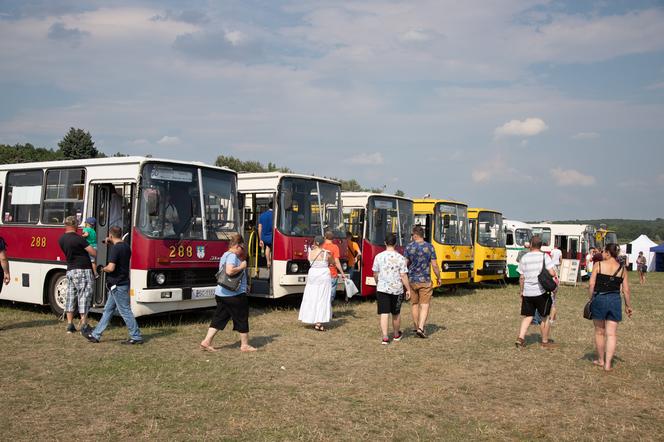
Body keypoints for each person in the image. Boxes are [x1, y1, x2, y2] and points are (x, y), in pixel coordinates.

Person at [84, 226, 143, 344]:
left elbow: (111, 268)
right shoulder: (126, 247)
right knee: (108, 310)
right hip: (122, 282)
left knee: (125, 311)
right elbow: (120, 258)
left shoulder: (115, 249)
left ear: (110, 236)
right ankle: (96, 335)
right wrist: (111, 242)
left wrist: (102, 269)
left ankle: (136, 336)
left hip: (117, 284)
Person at [200, 234, 256, 352]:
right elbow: (230, 271)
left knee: (219, 317)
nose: (242, 250)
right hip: (233, 295)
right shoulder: (232, 256)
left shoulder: (225, 255)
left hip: (222, 293)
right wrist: (242, 266)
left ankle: (206, 341)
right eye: (242, 247)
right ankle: (244, 345)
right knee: (242, 317)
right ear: (237, 246)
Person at [588, 244, 633, 371]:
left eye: (603, 252)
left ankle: (601, 360)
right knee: (612, 334)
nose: (602, 254)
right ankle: (608, 364)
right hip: (615, 300)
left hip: (599, 299)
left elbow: (591, 284)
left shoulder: (599, 265)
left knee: (599, 332)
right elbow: (626, 290)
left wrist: (590, 298)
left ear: (608, 253)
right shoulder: (622, 269)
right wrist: (628, 306)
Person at [515, 235, 557, 349]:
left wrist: (521, 291)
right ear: (541, 245)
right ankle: (544, 341)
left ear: (531, 245)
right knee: (544, 317)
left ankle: (521, 338)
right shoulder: (545, 257)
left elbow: (522, 277)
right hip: (541, 292)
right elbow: (552, 273)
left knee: (528, 316)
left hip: (528, 292)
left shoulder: (524, 257)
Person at [58, 215, 96, 335]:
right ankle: (84, 324)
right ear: (75, 225)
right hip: (83, 269)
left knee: (70, 296)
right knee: (84, 296)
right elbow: (93, 252)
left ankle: (70, 324)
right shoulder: (79, 239)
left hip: (70, 270)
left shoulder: (62, 239)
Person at [372, 233, 411, 344]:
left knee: (384, 313)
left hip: (382, 288)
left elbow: (375, 273)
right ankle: (396, 334)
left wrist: (377, 282)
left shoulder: (378, 256)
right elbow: (403, 275)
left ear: (385, 242)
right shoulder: (401, 258)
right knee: (396, 313)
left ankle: (385, 336)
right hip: (397, 289)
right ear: (396, 243)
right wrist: (408, 289)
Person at [404, 225, 441, 338]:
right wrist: (438, 277)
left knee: (414, 304)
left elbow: (404, 264)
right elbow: (434, 265)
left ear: (415, 235)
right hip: (425, 280)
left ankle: (416, 327)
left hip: (412, 280)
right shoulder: (430, 247)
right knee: (424, 305)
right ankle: (421, 327)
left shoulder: (409, 247)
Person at [298, 236, 334, 331]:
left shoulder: (310, 253)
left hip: (312, 274)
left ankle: (310, 317)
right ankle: (319, 322)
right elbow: (332, 262)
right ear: (323, 243)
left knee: (311, 296)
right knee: (322, 297)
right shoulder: (325, 253)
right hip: (323, 275)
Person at [321, 230, 346, 303]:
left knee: (322, 294)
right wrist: (342, 273)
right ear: (333, 238)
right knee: (331, 295)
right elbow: (337, 262)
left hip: (322, 273)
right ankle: (328, 311)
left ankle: (323, 312)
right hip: (332, 273)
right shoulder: (335, 247)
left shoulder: (321, 246)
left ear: (325, 237)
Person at [258, 202, 274, 269]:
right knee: (272, 249)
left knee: (267, 248)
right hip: (273, 236)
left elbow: (259, 227)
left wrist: (260, 239)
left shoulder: (262, 215)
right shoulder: (275, 215)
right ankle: (272, 263)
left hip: (264, 236)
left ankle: (268, 262)